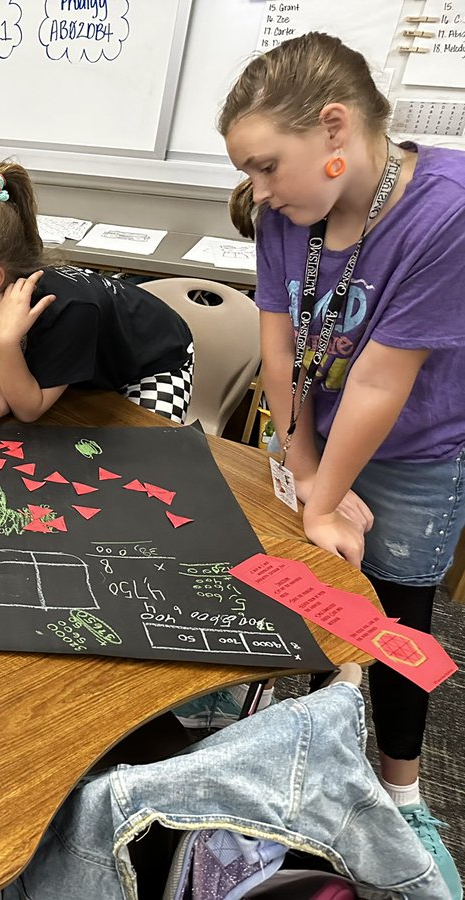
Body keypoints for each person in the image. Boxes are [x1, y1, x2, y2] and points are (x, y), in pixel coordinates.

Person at [219, 31, 465, 895]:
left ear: (334, 131)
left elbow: (381, 380)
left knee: (393, 623)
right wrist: (306, 471)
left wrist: (329, 500)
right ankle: (301, 768)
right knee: (311, 597)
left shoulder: (447, 208)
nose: (255, 190)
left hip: (412, 454)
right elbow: (280, 349)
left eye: (264, 165)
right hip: (314, 437)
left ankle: (403, 795)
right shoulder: (287, 211)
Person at [0, 161, 194, 440]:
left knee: (152, 453)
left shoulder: (69, 310)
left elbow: (29, 410)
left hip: (155, 363)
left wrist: (6, 341)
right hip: (90, 364)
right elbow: (10, 377)